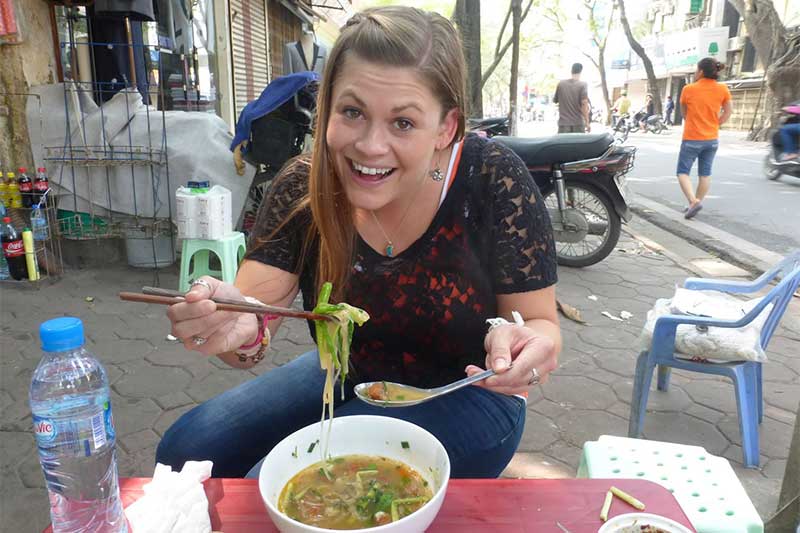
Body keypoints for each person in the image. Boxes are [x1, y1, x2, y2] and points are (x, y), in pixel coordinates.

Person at [156, 6, 561, 480]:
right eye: (352, 112)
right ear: (326, 108)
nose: (370, 146)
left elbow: (539, 323)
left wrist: (528, 350)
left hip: (469, 395)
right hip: (349, 371)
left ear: (445, 128)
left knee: (279, 479)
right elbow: (251, 321)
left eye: (403, 123)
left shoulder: (491, 179)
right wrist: (231, 327)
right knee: (184, 451)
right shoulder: (303, 186)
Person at [676, 58, 732, 219]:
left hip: (692, 137)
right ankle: (695, 203)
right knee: (705, 174)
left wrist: (694, 122)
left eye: (696, 70)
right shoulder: (722, 89)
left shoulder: (688, 89)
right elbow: (728, 111)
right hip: (712, 139)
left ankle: (693, 202)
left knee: (682, 172)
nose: (695, 73)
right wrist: (716, 123)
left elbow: (684, 113)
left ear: (700, 72)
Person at [553, 63, 590, 133]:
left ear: (571, 71)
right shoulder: (583, 85)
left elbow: (555, 100)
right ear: (580, 72)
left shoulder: (561, 84)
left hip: (563, 124)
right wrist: (587, 122)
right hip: (578, 124)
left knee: (563, 144)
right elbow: (584, 104)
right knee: (578, 144)